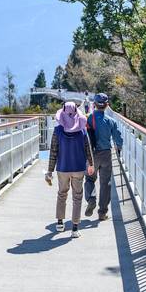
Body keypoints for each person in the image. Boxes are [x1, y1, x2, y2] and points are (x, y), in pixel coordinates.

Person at [45, 101, 95, 238]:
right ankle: (74, 228)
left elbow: (53, 151)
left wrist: (50, 171)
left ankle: (60, 223)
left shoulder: (57, 131)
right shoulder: (82, 130)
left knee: (62, 194)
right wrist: (91, 164)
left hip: (62, 168)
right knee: (77, 197)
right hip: (78, 168)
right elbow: (88, 148)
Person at [84, 93, 124, 220]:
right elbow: (118, 140)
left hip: (92, 154)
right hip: (106, 154)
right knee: (105, 183)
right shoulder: (111, 121)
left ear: (94, 105)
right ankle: (102, 213)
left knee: (90, 179)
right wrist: (118, 149)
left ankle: (91, 198)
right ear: (107, 105)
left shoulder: (88, 119)